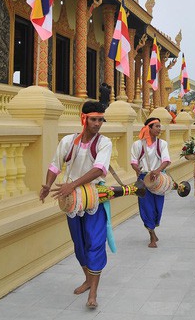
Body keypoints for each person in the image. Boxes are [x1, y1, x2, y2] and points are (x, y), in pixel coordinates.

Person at [39, 101, 113, 309]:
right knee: (79, 244)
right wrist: (48, 184)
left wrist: (71, 184)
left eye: (100, 120)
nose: (98, 124)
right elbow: (55, 164)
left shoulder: (104, 143)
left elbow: (99, 169)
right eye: (94, 119)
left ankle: (94, 294)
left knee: (95, 243)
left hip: (93, 198)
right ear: (84, 119)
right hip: (71, 201)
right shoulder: (68, 142)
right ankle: (88, 280)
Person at [130, 117, 171, 248]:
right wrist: (137, 169)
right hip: (143, 179)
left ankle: (152, 229)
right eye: (157, 126)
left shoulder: (162, 144)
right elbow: (133, 162)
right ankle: (152, 235)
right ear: (149, 128)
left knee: (158, 209)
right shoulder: (138, 145)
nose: (159, 129)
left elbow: (166, 160)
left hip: (158, 179)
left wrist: (158, 171)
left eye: (160, 126)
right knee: (146, 209)